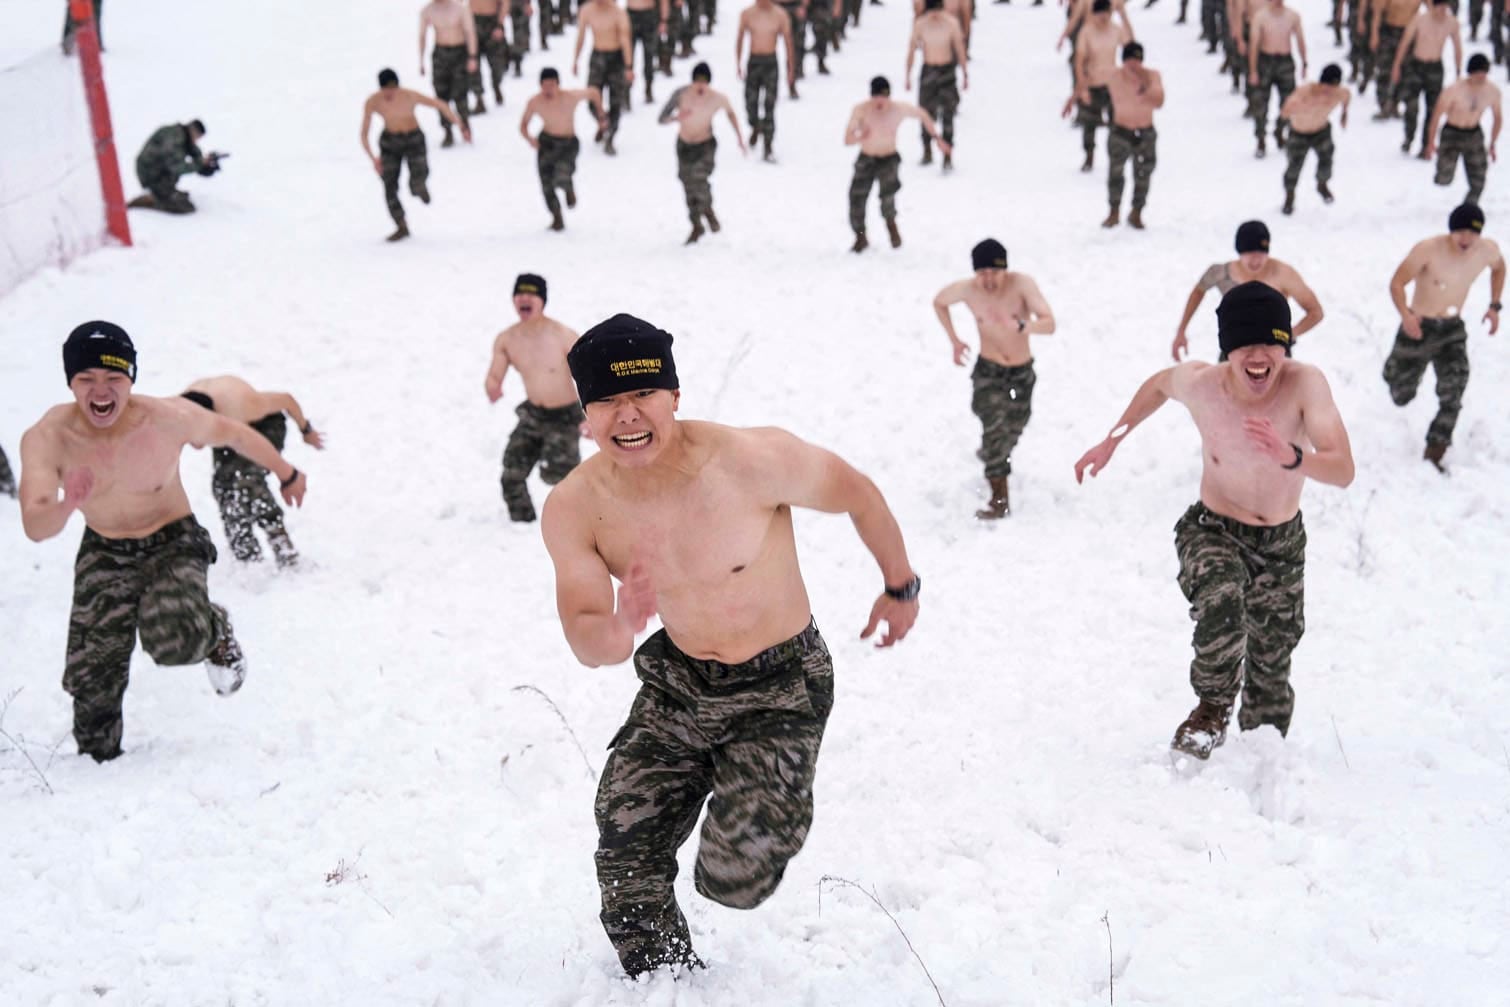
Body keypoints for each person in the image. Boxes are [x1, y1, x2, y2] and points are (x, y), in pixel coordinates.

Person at [540, 312, 921, 977]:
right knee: (626, 848)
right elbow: (586, 637)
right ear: (585, 412)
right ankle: (665, 980)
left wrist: (900, 587)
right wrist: (623, 622)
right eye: (606, 400)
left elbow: (858, 493)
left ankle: (759, 793)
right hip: (679, 682)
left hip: (780, 684)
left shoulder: (752, 460)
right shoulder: (576, 506)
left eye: (643, 395)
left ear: (675, 396)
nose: (627, 415)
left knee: (733, 878)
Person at [1074, 283, 1355, 760]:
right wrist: (1111, 440)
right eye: (1246, 344)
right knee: (1223, 602)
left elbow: (1343, 469)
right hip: (1214, 528)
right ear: (1228, 350)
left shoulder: (1306, 384)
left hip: (1281, 542)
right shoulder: (1204, 385)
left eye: (1271, 343)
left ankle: (1263, 748)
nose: (1260, 356)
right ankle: (1211, 709)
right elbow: (1158, 385)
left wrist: (1293, 457)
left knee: (1272, 656)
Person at [18, 322, 311, 763]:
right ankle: (100, 769)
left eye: (113, 377)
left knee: (175, 639)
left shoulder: (166, 419)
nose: (101, 390)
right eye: (86, 379)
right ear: (71, 383)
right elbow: (35, 525)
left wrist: (287, 473)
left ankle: (213, 630)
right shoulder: (48, 437)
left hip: (172, 540)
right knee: (93, 682)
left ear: (130, 379)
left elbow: (234, 433)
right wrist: (67, 505)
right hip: (104, 548)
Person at [931, 239, 1057, 519]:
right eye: (981, 273)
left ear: (1005, 269)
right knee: (995, 427)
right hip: (988, 370)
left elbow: (1050, 323)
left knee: (1016, 424)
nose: (987, 279)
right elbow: (939, 302)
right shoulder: (967, 290)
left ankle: (993, 452)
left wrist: (1025, 326)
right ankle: (999, 498)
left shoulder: (1022, 285)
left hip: (1021, 370)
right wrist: (954, 340)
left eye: (994, 272)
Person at [1383, 203, 1505, 471]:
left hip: (1451, 329)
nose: (1466, 239)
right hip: (1419, 325)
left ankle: (1436, 449)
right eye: (1460, 232)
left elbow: (1499, 268)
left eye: (1472, 233)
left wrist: (1495, 305)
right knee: (1401, 394)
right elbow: (1397, 282)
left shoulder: (1487, 250)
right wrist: (1406, 315)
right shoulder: (1429, 249)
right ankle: (1393, 371)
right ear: (1451, 231)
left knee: (1454, 389)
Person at [179, 377, 322, 568]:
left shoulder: (242, 404)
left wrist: (306, 431)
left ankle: (284, 548)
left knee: (245, 479)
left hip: (264, 426)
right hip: (227, 429)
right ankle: (245, 555)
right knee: (222, 486)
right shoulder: (175, 412)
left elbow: (287, 400)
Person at [485, 275, 585, 520]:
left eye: (532, 294)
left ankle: (582, 522)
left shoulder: (562, 335)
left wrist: (589, 416)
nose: (525, 299)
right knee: (512, 472)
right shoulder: (507, 339)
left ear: (542, 301)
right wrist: (493, 386)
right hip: (533, 414)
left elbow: (587, 378)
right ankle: (522, 522)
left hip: (565, 415)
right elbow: (494, 374)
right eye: (520, 294)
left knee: (559, 478)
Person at [1172, 220, 1324, 359]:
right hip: (1235, 346)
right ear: (1239, 251)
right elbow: (1198, 291)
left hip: (1274, 351)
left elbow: (1316, 312)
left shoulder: (1282, 274)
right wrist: (1181, 332)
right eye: (1250, 254)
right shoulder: (1221, 273)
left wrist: (1290, 334)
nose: (1256, 260)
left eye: (1261, 253)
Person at [843, 76, 949, 252]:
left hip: (889, 158)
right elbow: (847, 139)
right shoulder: (861, 110)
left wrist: (937, 138)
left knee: (888, 197)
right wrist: (860, 136)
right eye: (877, 97)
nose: (880, 102)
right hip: (867, 158)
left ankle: (892, 228)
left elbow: (922, 114)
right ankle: (860, 236)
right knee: (856, 198)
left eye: (884, 97)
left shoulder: (897, 109)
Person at [362, 69, 469, 243]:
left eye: (392, 89)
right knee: (389, 184)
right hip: (390, 142)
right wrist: (373, 158)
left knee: (417, 178)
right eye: (386, 90)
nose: (390, 93)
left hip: (413, 140)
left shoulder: (409, 96)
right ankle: (401, 224)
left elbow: (440, 104)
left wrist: (459, 124)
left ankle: (419, 187)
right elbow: (364, 133)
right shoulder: (373, 102)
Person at [658, 63, 748, 243]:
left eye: (704, 82)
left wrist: (739, 137)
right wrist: (676, 118)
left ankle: (708, 210)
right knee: (687, 184)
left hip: (705, 145)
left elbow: (731, 114)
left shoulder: (717, 98)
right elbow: (661, 118)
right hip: (684, 145)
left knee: (698, 178)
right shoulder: (681, 94)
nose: (700, 87)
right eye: (697, 82)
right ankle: (696, 224)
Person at [520, 69, 608, 229]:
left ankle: (568, 188)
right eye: (545, 86)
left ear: (558, 84)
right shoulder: (535, 102)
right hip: (547, 142)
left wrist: (600, 114)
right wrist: (530, 138)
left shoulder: (569, 97)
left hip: (568, 143)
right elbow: (523, 124)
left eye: (552, 85)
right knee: (546, 182)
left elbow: (594, 92)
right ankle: (556, 217)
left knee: (562, 174)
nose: (548, 90)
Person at [1063, 0, 1131, 173]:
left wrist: (1124, 15)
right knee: (1089, 124)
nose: (1104, 18)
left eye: (1107, 14)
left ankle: (1116, 158)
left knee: (1116, 124)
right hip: (1092, 83)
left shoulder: (1115, 30)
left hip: (1112, 84)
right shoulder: (1087, 32)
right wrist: (1081, 88)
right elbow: (1079, 62)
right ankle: (1089, 155)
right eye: (1100, 15)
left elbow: (1130, 46)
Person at [1425, 52, 1502, 205]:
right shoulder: (1454, 90)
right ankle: (1442, 174)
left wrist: (1492, 143)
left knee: (1479, 177)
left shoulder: (1492, 91)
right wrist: (1430, 142)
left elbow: (1498, 118)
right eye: (1477, 74)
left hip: (1473, 133)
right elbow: (1436, 116)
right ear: (1470, 73)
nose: (1480, 77)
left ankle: (1469, 206)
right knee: (1444, 178)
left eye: (1483, 74)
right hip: (1452, 132)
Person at [1102, 42, 1164, 229]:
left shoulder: (1152, 76)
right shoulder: (1114, 76)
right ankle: (1114, 210)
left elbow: (1159, 101)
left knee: (1143, 173)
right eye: (1130, 61)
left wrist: (1145, 85)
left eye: (1137, 61)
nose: (1133, 65)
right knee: (1116, 173)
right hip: (1121, 131)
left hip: (1144, 132)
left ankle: (1137, 211)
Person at [1390, 0, 1463, 156]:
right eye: (1440, 7)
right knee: (1412, 106)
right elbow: (1405, 42)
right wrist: (1397, 66)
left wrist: (1458, 72)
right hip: (1416, 66)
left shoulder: (1452, 23)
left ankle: (1426, 145)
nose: (1442, 11)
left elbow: (1457, 47)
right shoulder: (1420, 19)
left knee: (1433, 109)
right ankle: (1409, 136)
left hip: (1435, 68)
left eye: (1445, 8)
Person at [907, 0, 970, 171]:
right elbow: (912, 48)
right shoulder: (921, 24)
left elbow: (959, 47)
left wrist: (964, 72)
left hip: (947, 70)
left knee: (948, 113)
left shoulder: (951, 23)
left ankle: (948, 152)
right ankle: (927, 148)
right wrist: (908, 74)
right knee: (925, 111)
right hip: (928, 69)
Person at [1278, 63, 1350, 214]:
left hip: (1321, 131)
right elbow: (1284, 112)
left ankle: (1322, 184)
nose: (1328, 92)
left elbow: (1347, 97)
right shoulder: (1304, 92)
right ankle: (1289, 196)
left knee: (1327, 159)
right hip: (1299, 133)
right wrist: (1300, 107)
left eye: (1332, 88)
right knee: (1294, 167)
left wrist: (1344, 114)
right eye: (1326, 88)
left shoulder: (1339, 93)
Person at [736, 0, 797, 161]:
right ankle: (756, 125)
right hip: (754, 61)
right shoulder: (747, 14)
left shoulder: (780, 15)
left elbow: (788, 42)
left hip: (771, 63)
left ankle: (768, 145)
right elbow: (740, 38)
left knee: (769, 105)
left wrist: (791, 69)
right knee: (751, 102)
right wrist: (738, 63)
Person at [1246, 0, 1307, 159]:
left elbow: (1300, 39)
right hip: (1266, 61)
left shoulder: (1292, 16)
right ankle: (1260, 139)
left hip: (1285, 61)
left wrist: (1304, 61)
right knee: (1261, 103)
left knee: (1288, 102)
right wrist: (1253, 70)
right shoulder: (1261, 17)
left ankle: (1280, 129)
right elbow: (1254, 44)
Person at [574, 0, 635, 155]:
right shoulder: (587, 10)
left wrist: (629, 66)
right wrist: (576, 59)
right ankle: (602, 122)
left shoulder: (618, 13)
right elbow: (581, 35)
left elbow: (625, 40)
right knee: (592, 98)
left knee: (616, 101)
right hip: (597, 57)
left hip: (616, 58)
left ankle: (610, 137)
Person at [126, 120, 221, 215]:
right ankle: (153, 199)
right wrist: (199, 164)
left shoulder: (181, 134)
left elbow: (193, 150)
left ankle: (164, 192)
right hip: (149, 174)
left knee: (176, 185)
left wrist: (204, 162)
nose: (196, 141)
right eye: (197, 137)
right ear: (193, 131)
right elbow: (177, 167)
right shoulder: (174, 139)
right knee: (187, 208)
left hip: (154, 169)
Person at [420, 0, 480, 148]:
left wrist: (472, 56)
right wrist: (421, 60)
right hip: (440, 53)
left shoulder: (459, 8)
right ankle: (447, 130)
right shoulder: (428, 10)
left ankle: (464, 124)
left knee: (460, 93)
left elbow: (469, 32)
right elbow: (422, 36)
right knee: (441, 95)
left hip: (459, 52)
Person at [1371, 0, 1424, 119]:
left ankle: (1396, 103)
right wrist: (1374, 34)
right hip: (1389, 30)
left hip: (1409, 32)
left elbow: (1432, 9)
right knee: (1385, 69)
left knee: (1405, 70)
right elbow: (1377, 12)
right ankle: (1384, 104)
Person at [469, 0, 512, 112]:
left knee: (498, 63)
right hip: (473, 21)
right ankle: (479, 98)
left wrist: (500, 24)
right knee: (473, 63)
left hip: (492, 21)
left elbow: (505, 3)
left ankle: (496, 85)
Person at [628, 0, 671, 102]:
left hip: (649, 15)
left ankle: (648, 88)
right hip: (631, 14)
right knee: (628, 58)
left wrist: (664, 20)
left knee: (649, 55)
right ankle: (626, 92)